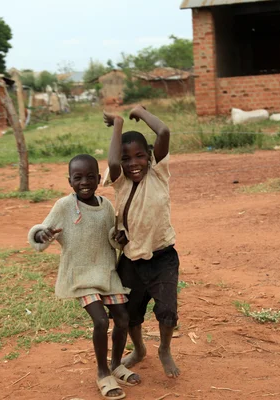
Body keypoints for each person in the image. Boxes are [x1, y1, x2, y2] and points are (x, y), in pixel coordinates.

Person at [28, 154, 140, 399]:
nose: (85, 182)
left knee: (122, 317)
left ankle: (116, 364)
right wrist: (42, 236)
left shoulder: (106, 205)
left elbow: (112, 236)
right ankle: (102, 373)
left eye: (91, 177)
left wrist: (119, 238)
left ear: (100, 179)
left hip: (106, 272)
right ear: (70, 181)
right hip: (80, 276)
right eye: (78, 178)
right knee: (101, 321)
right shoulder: (64, 207)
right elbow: (40, 231)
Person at [103, 106, 180, 378]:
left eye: (139, 156)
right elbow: (113, 164)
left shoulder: (159, 174)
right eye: (126, 158)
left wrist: (140, 112)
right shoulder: (120, 182)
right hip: (131, 260)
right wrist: (118, 124)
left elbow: (164, 131)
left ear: (149, 157)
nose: (133, 163)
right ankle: (139, 349)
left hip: (162, 257)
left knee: (167, 310)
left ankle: (165, 350)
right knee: (129, 313)